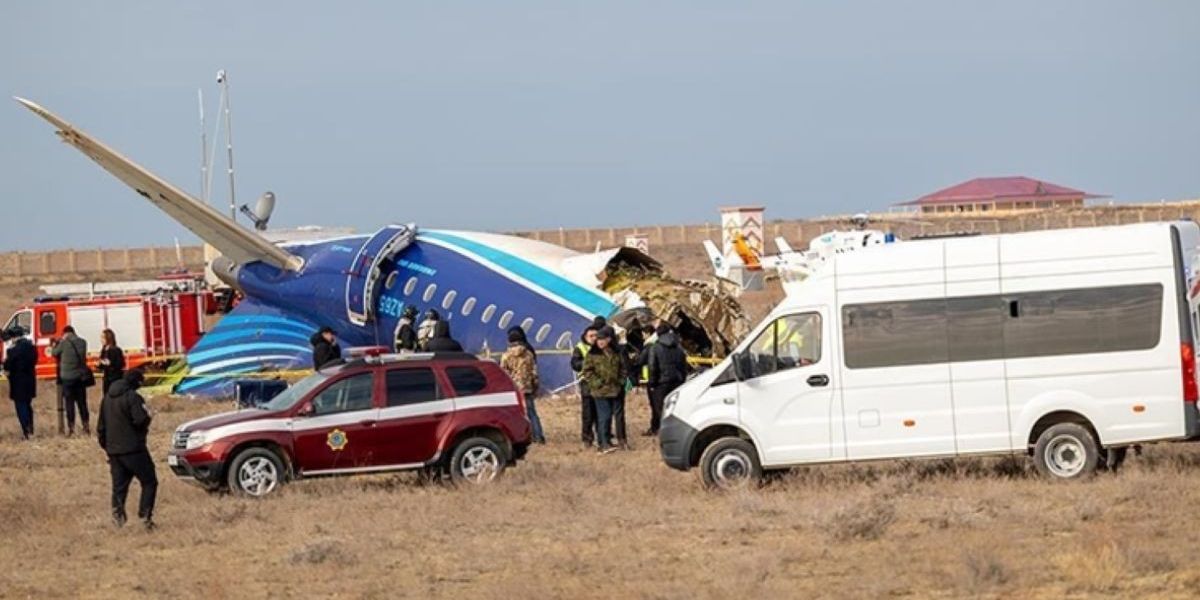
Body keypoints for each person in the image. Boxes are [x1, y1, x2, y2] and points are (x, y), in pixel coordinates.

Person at [97, 369, 157, 530]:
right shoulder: (133, 397)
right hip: (134, 449)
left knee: (119, 488)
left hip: (114, 451)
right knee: (149, 481)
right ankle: (145, 518)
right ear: (136, 382)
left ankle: (118, 519)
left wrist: (107, 447)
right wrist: (148, 418)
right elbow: (140, 420)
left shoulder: (106, 399)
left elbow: (101, 428)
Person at [580, 326, 625, 454]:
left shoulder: (615, 353)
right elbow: (587, 371)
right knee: (603, 417)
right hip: (600, 391)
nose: (599, 342)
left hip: (614, 389)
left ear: (609, 340)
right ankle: (603, 443)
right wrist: (597, 383)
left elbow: (622, 368)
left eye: (602, 339)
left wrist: (621, 380)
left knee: (609, 417)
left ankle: (606, 441)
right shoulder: (592, 354)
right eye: (598, 339)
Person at [500, 329, 545, 443]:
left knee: (516, 414)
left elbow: (503, 373)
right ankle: (538, 436)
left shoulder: (506, 356)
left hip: (513, 389)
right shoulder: (528, 354)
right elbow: (534, 372)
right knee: (532, 413)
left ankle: (520, 437)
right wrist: (535, 386)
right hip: (527, 387)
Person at [645, 323, 690, 436]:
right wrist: (682, 380)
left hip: (660, 383)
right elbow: (683, 366)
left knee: (660, 409)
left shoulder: (655, 347)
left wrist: (652, 383)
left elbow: (652, 367)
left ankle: (665, 433)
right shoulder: (678, 347)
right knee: (675, 408)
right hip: (677, 381)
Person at [50, 325, 90, 435]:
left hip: (67, 378)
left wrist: (55, 345)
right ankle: (86, 426)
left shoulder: (64, 343)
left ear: (66, 333)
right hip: (80, 377)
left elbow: (54, 353)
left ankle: (71, 428)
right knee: (82, 403)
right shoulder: (83, 342)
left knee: (69, 404)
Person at [2, 326, 37, 439]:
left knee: (20, 406)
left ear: (13, 337)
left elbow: (7, 365)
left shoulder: (13, 350)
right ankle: (31, 428)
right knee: (28, 405)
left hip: (17, 382)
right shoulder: (31, 347)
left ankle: (26, 431)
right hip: (30, 380)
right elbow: (35, 361)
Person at [570, 326, 599, 447]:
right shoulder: (580, 348)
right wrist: (588, 363)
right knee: (588, 414)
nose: (593, 338)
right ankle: (587, 438)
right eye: (591, 336)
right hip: (587, 383)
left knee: (601, 413)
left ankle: (602, 437)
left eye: (595, 335)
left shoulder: (601, 347)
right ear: (585, 337)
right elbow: (575, 364)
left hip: (601, 384)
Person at [98, 328, 126, 395]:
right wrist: (100, 364)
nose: (101, 340)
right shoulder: (104, 350)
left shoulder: (116, 350)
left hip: (115, 378)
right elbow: (102, 363)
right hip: (106, 378)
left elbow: (121, 364)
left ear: (108, 338)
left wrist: (110, 363)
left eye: (102, 337)